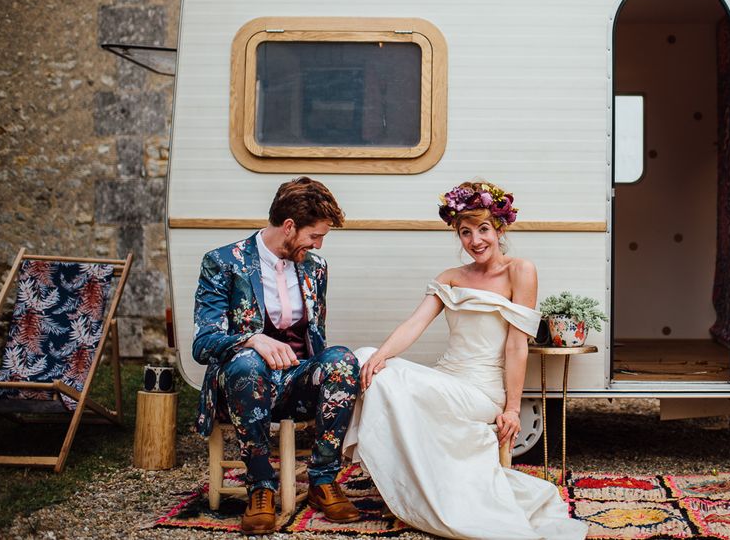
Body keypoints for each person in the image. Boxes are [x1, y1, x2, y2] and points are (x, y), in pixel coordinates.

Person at [344, 181, 588, 540]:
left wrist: (511, 407)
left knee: (389, 377)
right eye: (465, 232)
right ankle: (406, 478)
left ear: (500, 228)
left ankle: (432, 489)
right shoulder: (451, 278)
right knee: (363, 357)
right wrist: (380, 356)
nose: (476, 240)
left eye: (484, 229)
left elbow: (516, 345)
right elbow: (415, 324)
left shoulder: (520, 271)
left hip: (481, 390)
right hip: (446, 379)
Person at [192, 177, 361, 535]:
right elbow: (203, 342)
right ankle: (260, 487)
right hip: (242, 387)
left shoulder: (316, 267)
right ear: (289, 226)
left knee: (343, 359)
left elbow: (317, 337)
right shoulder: (224, 262)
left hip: (294, 383)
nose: (318, 244)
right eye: (315, 236)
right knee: (248, 363)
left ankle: (323, 481)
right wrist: (253, 339)